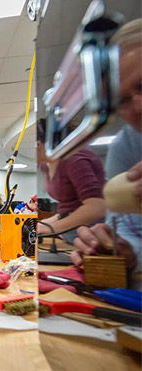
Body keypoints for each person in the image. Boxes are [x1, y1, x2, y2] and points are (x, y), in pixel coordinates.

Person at [72, 19, 142, 286]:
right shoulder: (126, 148)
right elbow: (129, 232)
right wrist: (119, 249)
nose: (136, 107)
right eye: (123, 100)